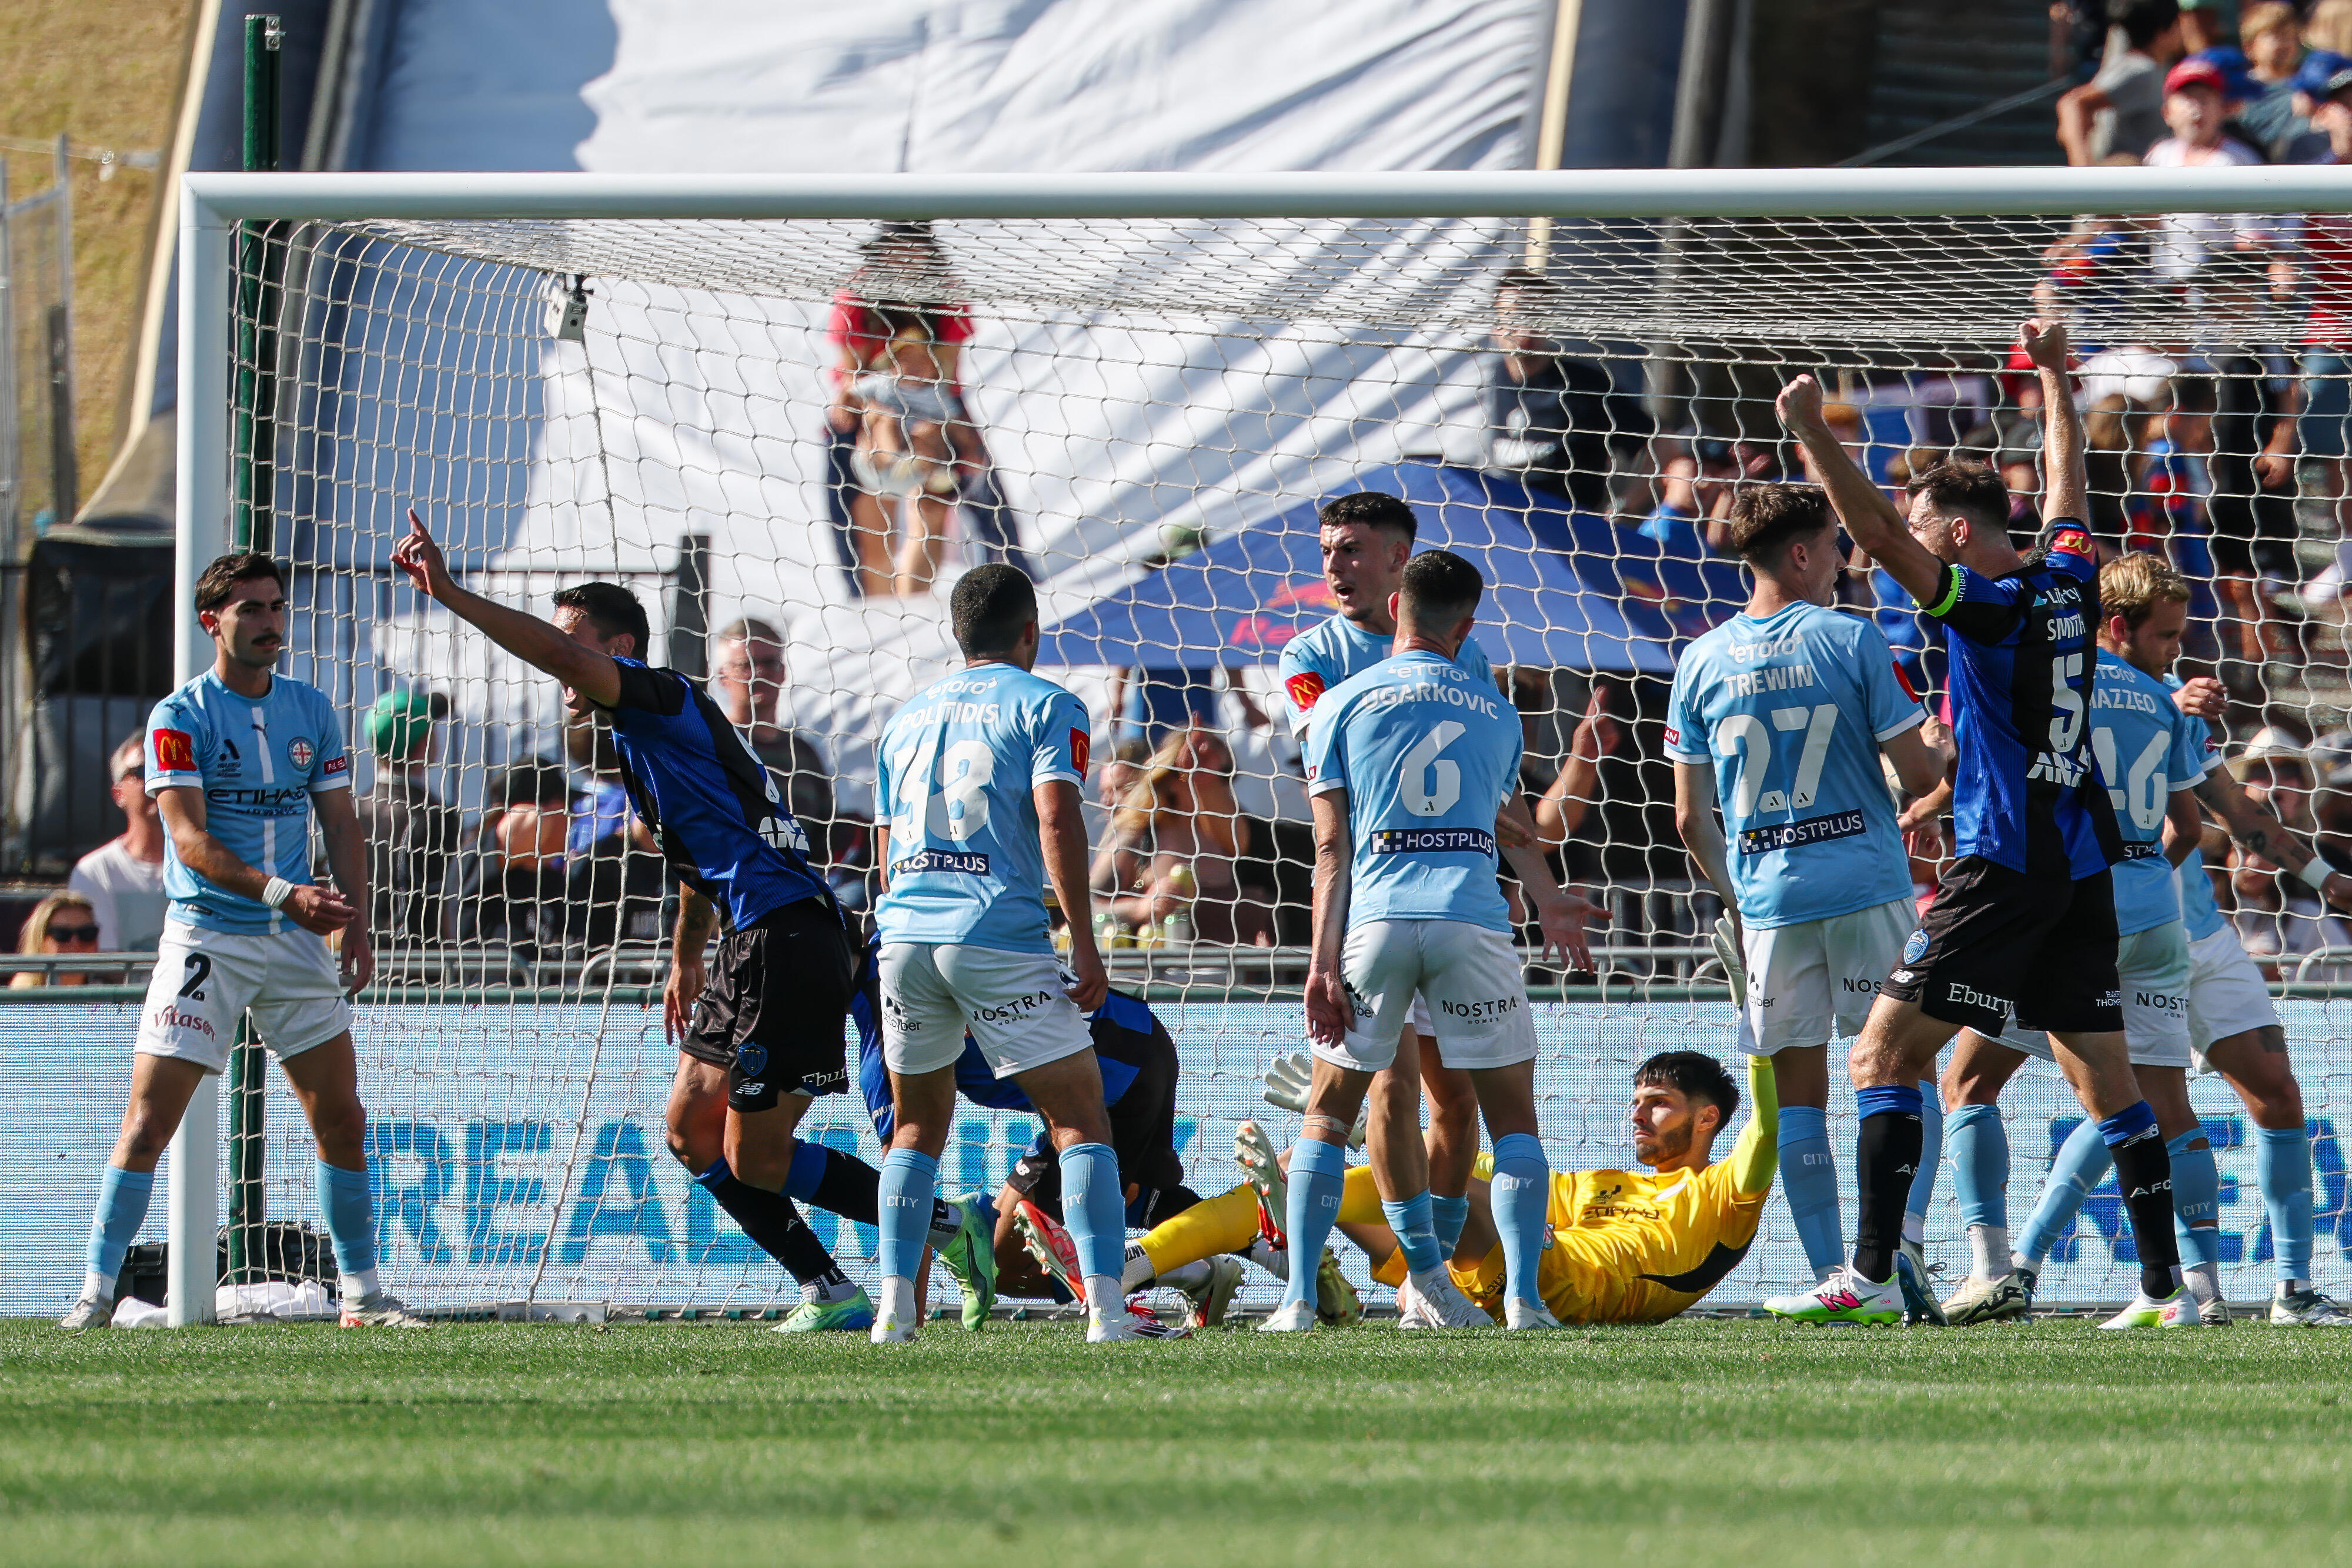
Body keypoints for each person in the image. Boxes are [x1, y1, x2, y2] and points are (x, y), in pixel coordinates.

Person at [387, 511, 946, 1332]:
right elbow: (697, 863)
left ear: (616, 649)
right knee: (690, 1133)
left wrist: (451, 594)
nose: (561, 661)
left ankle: (948, 1220)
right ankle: (829, 1287)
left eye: (574, 641)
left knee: (752, 1154)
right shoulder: (644, 742)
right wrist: (687, 960)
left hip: (787, 935)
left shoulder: (663, 695)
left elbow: (559, 657)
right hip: (747, 939)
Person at [1765, 319, 2200, 1329]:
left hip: (2004, 861)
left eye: (1927, 526)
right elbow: (2068, 491)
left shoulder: (1991, 607)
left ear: (1956, 534)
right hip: (2081, 866)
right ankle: (2166, 1289)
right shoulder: (2070, 580)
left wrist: (1810, 434)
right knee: (2110, 1085)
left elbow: (1872, 532)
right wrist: (2055, 376)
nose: (1909, 541)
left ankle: (1869, 1274)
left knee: (1884, 1057)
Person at [59, 551, 411, 1330]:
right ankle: (92, 1291)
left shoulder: (311, 709)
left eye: (276, 606)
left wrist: (356, 923)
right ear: (210, 619)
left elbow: (342, 823)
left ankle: (364, 1295)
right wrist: (285, 890)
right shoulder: (178, 717)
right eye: (250, 609)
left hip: (295, 942)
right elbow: (186, 838)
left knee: (342, 1117)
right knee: (149, 1123)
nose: (269, 622)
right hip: (207, 938)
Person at [1273, 491, 1595, 1285]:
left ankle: (1437, 1274)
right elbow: (1336, 816)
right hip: (1373, 899)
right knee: (1390, 1086)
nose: (1335, 567)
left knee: (1457, 1100)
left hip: (1445, 899)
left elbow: (1501, 797)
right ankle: (1420, 1267)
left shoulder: (1464, 659)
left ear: (1398, 561)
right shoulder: (1309, 658)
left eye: (1351, 549)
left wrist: (1542, 887)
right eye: (1328, 552)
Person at [1664, 483, 1951, 1316]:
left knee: (1799, 1095)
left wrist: (1741, 896)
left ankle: (1837, 1278)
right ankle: (1900, 1250)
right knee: (1902, 1071)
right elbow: (1925, 776)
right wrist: (1930, 744)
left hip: (1771, 905)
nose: (1844, 557)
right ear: (1799, 553)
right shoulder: (1852, 641)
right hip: (1865, 885)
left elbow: (1689, 816)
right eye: (1834, 542)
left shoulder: (1701, 658)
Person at [866, 564, 1171, 1344]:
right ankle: (1108, 1311)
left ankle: (894, 1313)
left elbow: (885, 839)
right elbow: (1059, 821)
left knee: (914, 1130)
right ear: (1029, 632)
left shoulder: (905, 717)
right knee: (1080, 1117)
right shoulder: (1046, 704)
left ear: (958, 634)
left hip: (902, 930)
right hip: (993, 930)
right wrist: (1085, 938)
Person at [1930, 554, 2217, 1326]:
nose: (2173, 647)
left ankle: (1998, 1268)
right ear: (2122, 622)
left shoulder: (2062, 683)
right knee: (2147, 1101)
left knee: (1965, 1081)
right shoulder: (2164, 699)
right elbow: (2191, 827)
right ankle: (2194, 1286)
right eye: (2168, 633)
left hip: (2070, 900)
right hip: (2156, 913)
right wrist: (2144, 869)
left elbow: (2008, 767)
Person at [1237, 1051, 1778, 1325]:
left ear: (1708, 1118)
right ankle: (1323, 1276)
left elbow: (1770, 1122)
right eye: (1635, 1102)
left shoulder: (1723, 1190)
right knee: (1303, 1161)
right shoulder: (1601, 1183)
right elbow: (1465, 1160)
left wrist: (1759, 1012)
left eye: (1657, 1102)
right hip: (1482, 1281)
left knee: (1418, 1183)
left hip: (1560, 1285)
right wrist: (1368, 1133)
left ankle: (1300, 1250)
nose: (1638, 1114)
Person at [1485, 269, 1653, 514]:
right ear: (1495, 325)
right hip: (1506, 524)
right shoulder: (1492, 378)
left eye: (1536, 315)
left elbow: (1661, 442)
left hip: (1570, 529)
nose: (1526, 327)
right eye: (1514, 315)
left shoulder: (1584, 385)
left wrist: (1622, 507)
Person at [2141, 56, 2267, 287]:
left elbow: (2251, 240)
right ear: (2167, 112)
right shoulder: (2158, 155)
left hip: (2222, 295)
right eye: (2187, 98)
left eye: (2205, 99)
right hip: (2166, 293)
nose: (2196, 107)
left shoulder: (2240, 160)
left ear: (2222, 109)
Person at [352, 688, 462, 945]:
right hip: (415, 965)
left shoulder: (352, 810)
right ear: (423, 743)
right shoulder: (435, 816)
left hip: (358, 956)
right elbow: (442, 902)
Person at [68, 734, 168, 952]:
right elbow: (103, 965)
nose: (157, 780)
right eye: (143, 771)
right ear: (118, 793)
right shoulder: (93, 871)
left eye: (165, 769)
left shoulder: (204, 864)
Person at [2058, 0, 2187, 165]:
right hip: (2123, 179)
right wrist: (2083, 167)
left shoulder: (2152, 68)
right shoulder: (2139, 69)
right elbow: (2072, 103)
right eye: (2179, 23)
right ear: (2163, 32)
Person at [9, 891, 101, 988]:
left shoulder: (109, 994)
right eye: (62, 934)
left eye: (87, 934)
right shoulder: (21, 996)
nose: (75, 942)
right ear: (40, 941)